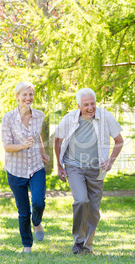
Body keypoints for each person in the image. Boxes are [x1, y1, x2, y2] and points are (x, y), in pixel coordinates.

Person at [54, 88, 123, 254]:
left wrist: (110, 161)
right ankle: (78, 241)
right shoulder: (69, 118)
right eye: (86, 105)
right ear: (79, 105)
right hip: (74, 166)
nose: (90, 108)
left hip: (96, 169)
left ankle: (87, 246)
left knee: (93, 210)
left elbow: (119, 141)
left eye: (93, 103)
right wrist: (59, 166)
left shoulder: (105, 117)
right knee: (81, 200)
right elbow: (57, 140)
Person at [1, 81, 50, 253]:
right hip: (16, 170)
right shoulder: (8, 118)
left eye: (30, 94)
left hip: (36, 166)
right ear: (17, 97)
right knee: (23, 211)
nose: (28, 98)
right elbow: (7, 146)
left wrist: (43, 152)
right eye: (24, 95)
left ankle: (37, 222)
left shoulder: (39, 115)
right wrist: (23, 145)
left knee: (38, 203)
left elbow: (37, 138)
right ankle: (27, 246)